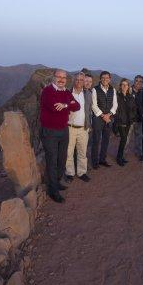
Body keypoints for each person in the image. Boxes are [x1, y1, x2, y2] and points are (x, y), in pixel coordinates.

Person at [40, 69, 80, 203]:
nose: (62, 79)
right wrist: (69, 105)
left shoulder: (67, 92)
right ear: (53, 77)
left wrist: (65, 105)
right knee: (51, 160)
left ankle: (56, 182)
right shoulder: (47, 91)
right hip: (50, 131)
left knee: (62, 159)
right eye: (59, 77)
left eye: (64, 77)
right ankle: (53, 191)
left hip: (63, 130)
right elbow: (53, 107)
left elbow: (77, 106)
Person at [65, 72, 92, 182]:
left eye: (81, 80)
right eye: (77, 79)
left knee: (82, 152)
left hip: (83, 128)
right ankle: (70, 173)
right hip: (70, 127)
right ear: (73, 80)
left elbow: (89, 110)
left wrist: (89, 125)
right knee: (69, 152)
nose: (79, 82)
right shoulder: (67, 93)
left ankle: (82, 172)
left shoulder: (87, 94)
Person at [91, 71, 118, 169]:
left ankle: (102, 159)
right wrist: (103, 115)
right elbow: (94, 105)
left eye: (107, 78)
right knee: (96, 140)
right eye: (103, 78)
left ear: (110, 79)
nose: (105, 79)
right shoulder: (95, 89)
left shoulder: (112, 89)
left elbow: (115, 105)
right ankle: (94, 162)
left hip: (109, 118)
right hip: (98, 118)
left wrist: (109, 114)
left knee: (106, 140)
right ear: (100, 79)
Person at [113, 78, 137, 166]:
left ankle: (121, 157)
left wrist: (133, 118)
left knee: (124, 140)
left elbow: (134, 108)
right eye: (122, 84)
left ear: (128, 86)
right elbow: (115, 110)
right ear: (120, 86)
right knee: (123, 139)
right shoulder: (117, 96)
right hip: (120, 122)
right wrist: (118, 119)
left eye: (126, 85)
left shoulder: (130, 97)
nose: (124, 86)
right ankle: (119, 158)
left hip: (128, 122)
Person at [125, 75, 143, 158]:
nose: (138, 83)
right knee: (126, 138)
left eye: (140, 81)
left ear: (142, 83)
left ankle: (138, 152)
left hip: (139, 119)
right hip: (129, 119)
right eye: (137, 80)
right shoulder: (128, 90)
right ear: (134, 81)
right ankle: (123, 153)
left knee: (139, 137)